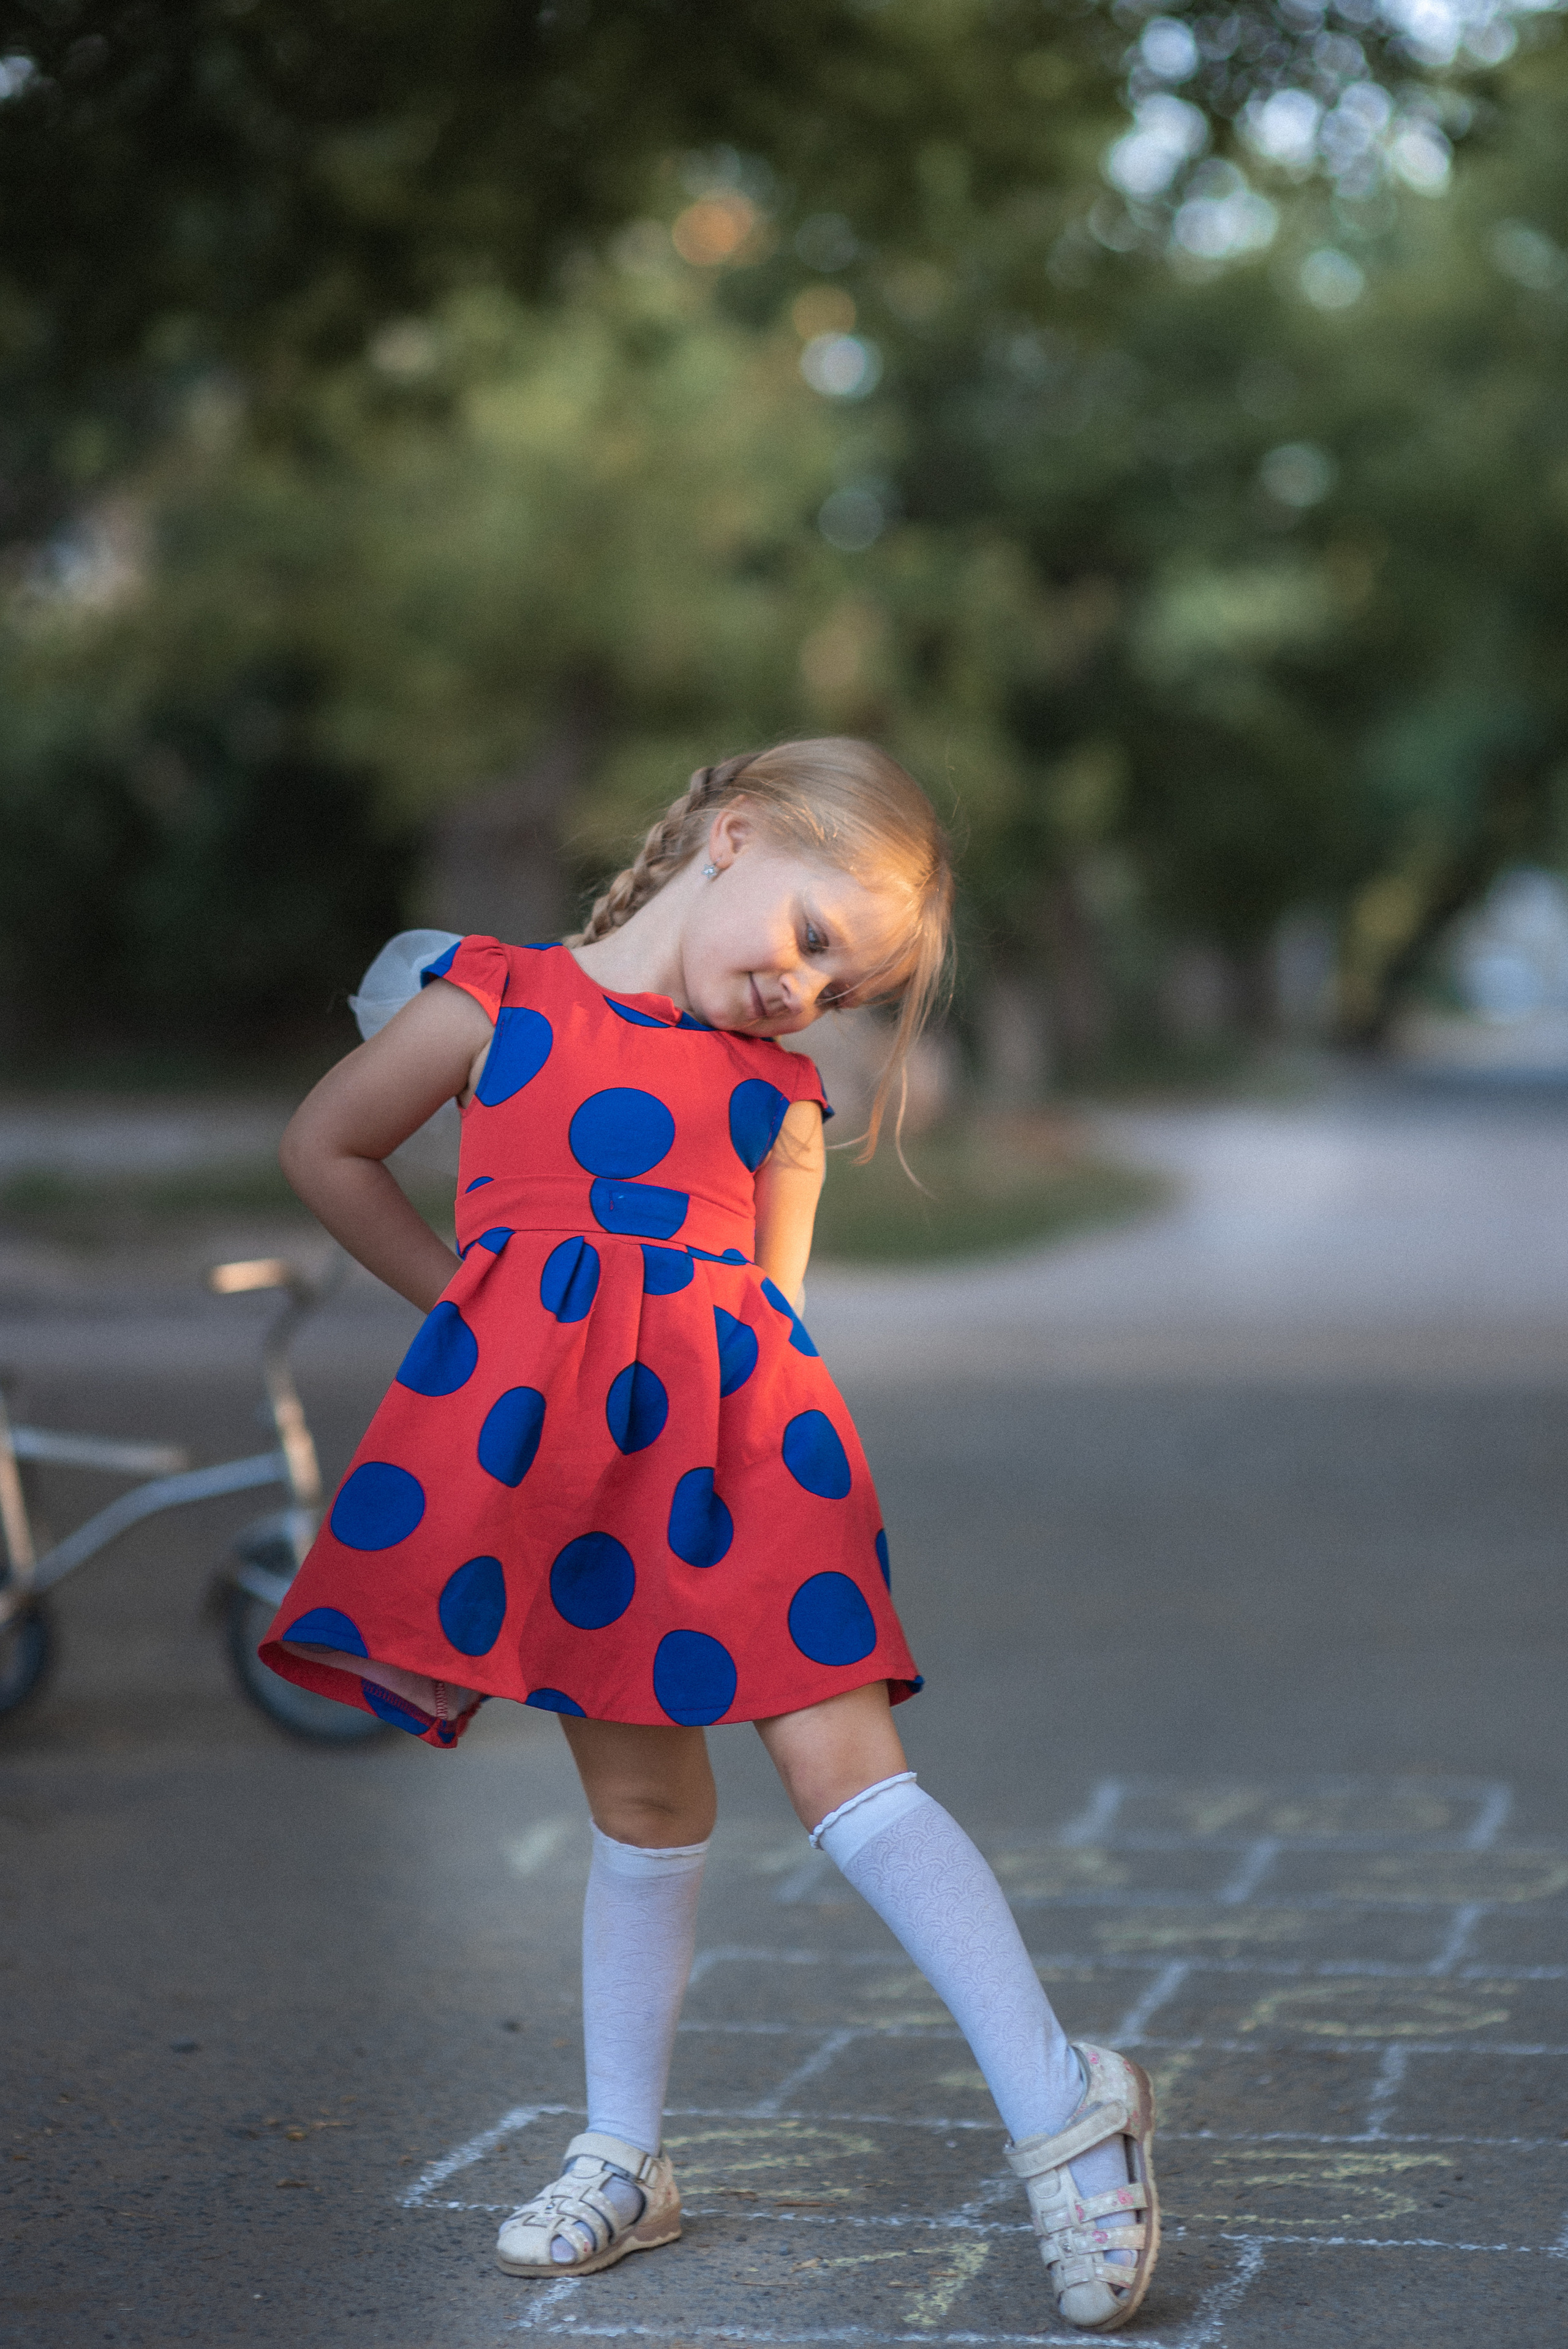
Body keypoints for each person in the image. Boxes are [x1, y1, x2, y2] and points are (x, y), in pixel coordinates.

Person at [261, 738, 1158, 2332]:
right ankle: (626, 2153)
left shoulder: (778, 1098)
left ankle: (1062, 2096)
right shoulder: (498, 1003)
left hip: (750, 1467)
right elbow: (329, 1146)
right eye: (813, 938)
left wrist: (736, 1457)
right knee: (640, 1798)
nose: (804, 991)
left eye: (845, 985)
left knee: (849, 1781)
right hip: (578, 1481)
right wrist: (468, 1325)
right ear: (732, 838)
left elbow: (776, 1317)